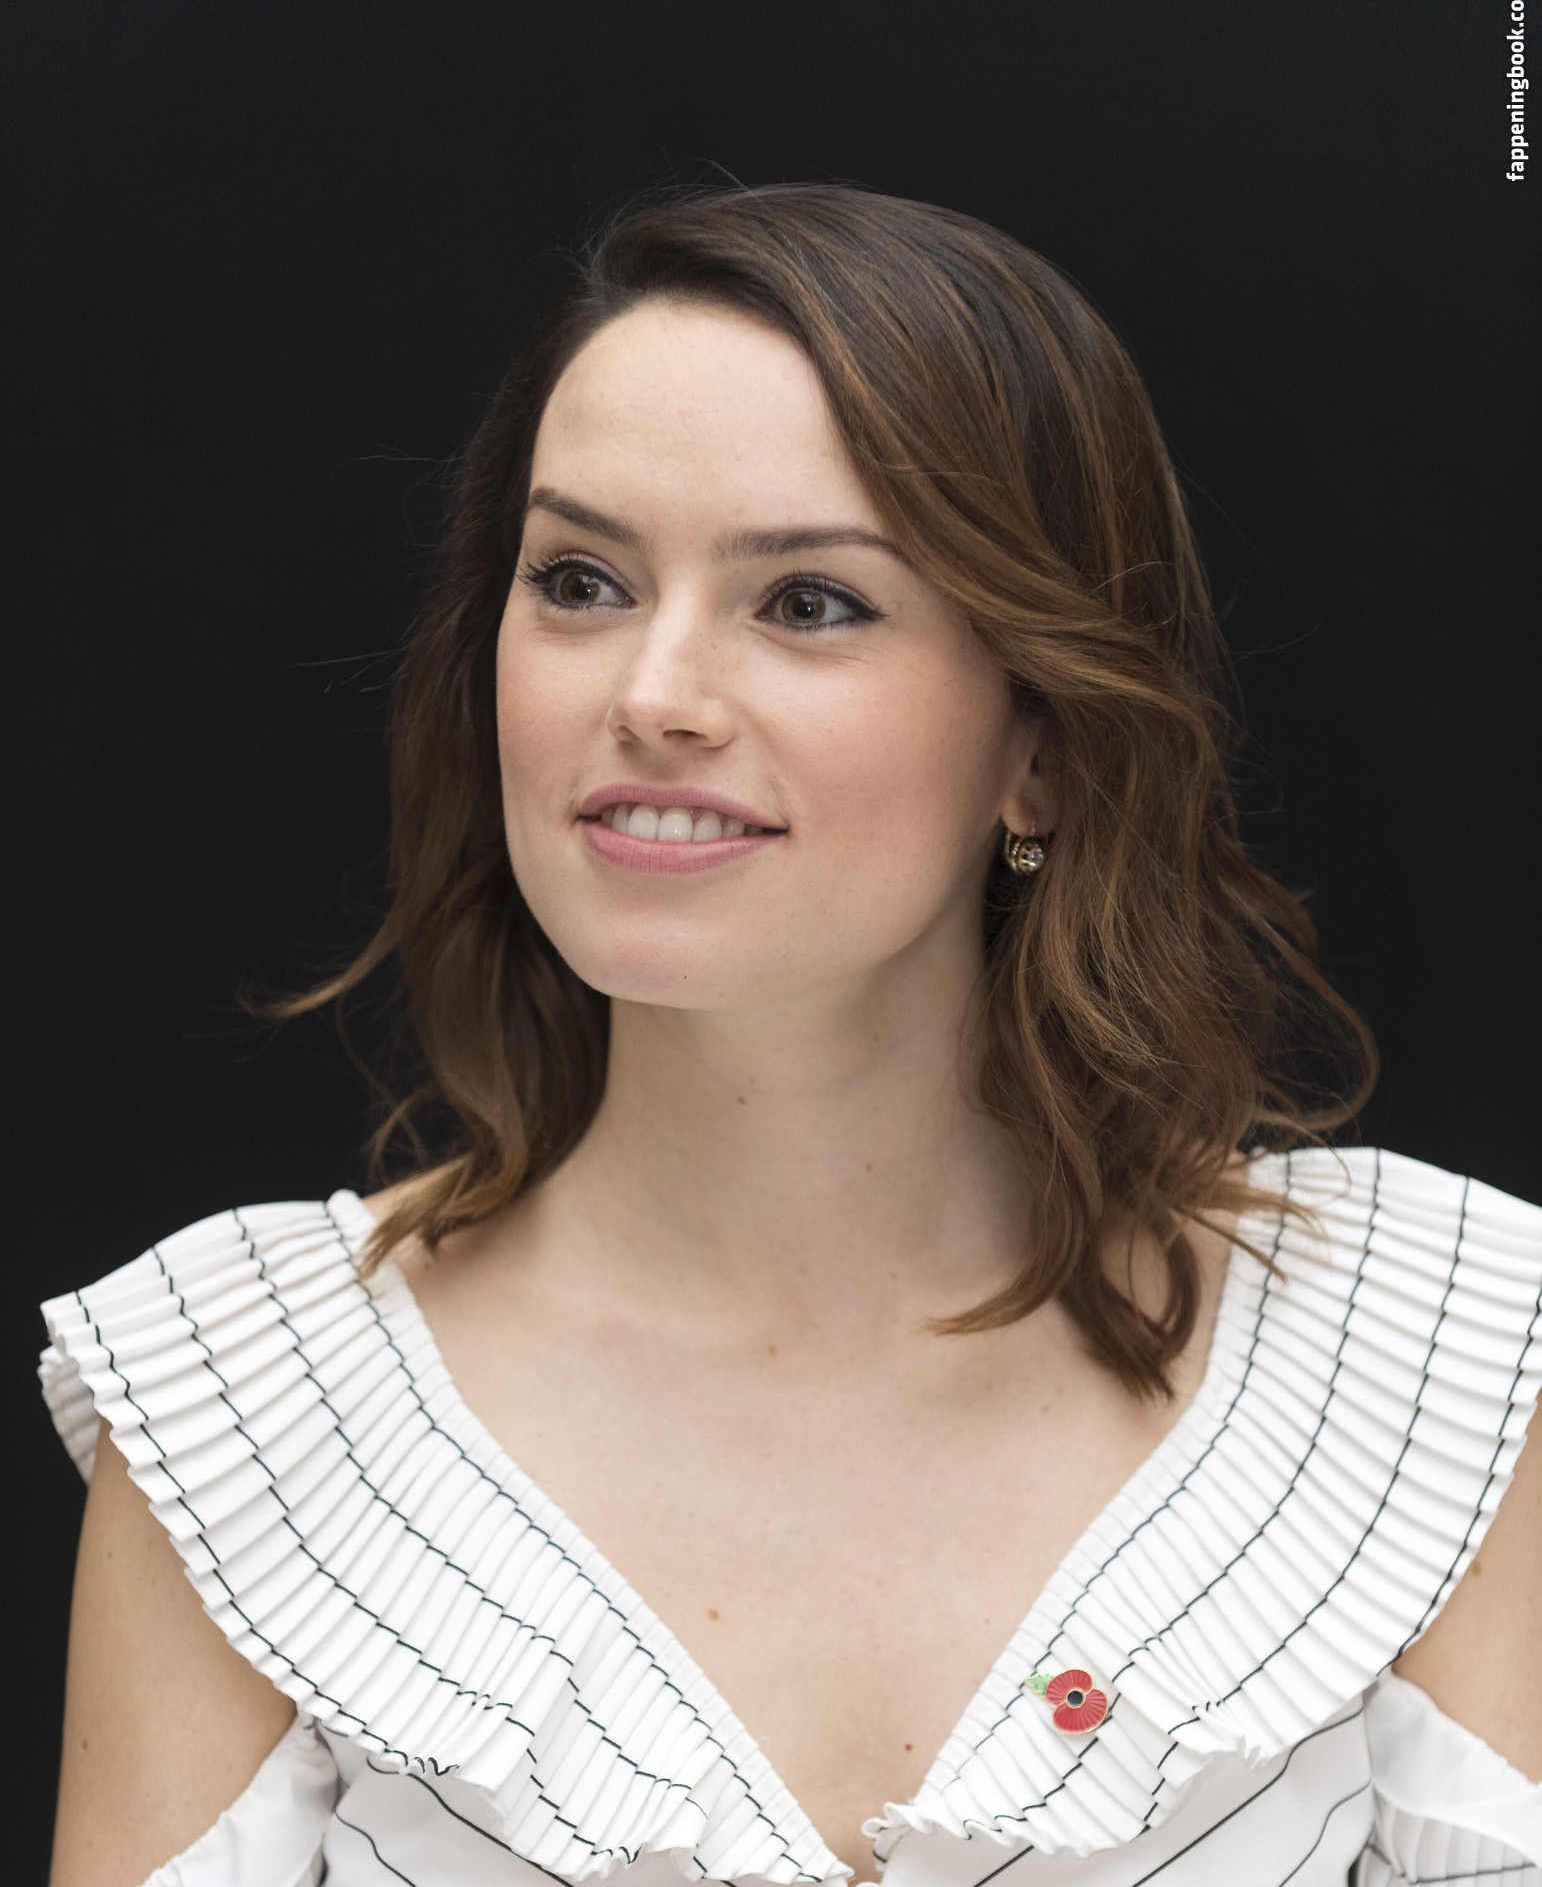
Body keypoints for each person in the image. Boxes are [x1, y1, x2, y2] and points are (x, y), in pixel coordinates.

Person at [40, 185, 1542, 1887]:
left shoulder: (1427, 1359)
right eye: (581, 581)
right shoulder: (244, 1410)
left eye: (809, 602)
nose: (653, 695)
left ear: (1042, 744)